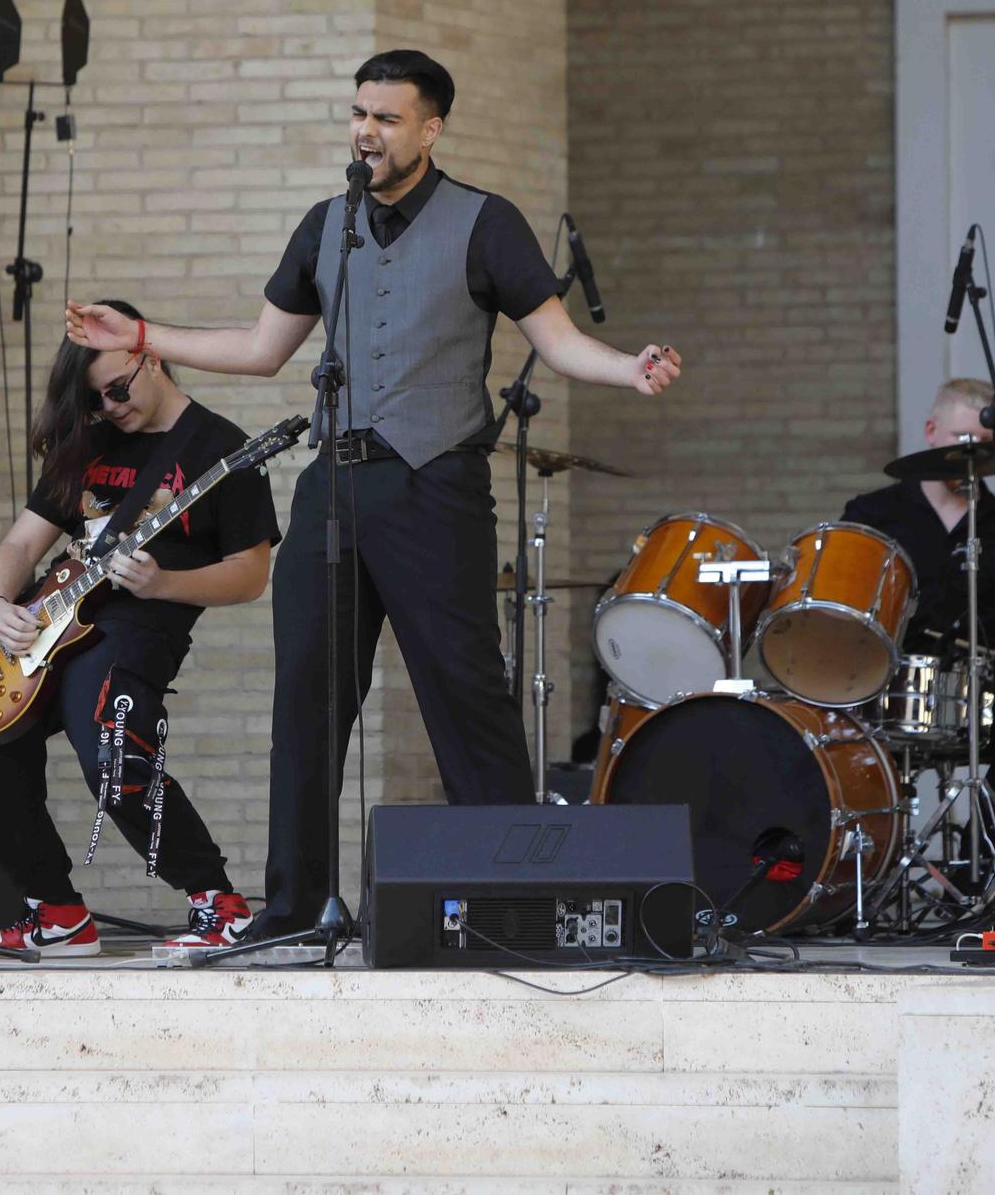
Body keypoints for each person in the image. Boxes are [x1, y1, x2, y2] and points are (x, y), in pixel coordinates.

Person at [67, 50, 683, 941]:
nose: (367, 131)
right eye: (359, 113)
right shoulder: (327, 225)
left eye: (387, 118)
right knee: (307, 700)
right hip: (335, 485)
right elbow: (262, 347)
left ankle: (519, 897)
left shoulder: (486, 222)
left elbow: (555, 340)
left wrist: (627, 368)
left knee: (464, 693)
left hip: (437, 487)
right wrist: (146, 333)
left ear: (430, 129)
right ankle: (297, 907)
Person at [0, 304, 279, 954]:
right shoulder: (90, 443)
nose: (109, 406)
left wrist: (164, 582)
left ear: (151, 358)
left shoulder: (222, 448)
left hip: (141, 623)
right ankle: (55, 912)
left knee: (106, 733)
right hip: (52, 620)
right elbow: (24, 543)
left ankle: (219, 905)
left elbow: (250, 575)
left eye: (117, 389)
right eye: (93, 399)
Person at [842, 377, 995, 825]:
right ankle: (866, 858)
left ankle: (988, 847)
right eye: (961, 439)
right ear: (930, 432)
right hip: (883, 675)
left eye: (982, 442)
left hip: (974, 678)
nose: (971, 452)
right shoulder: (872, 514)